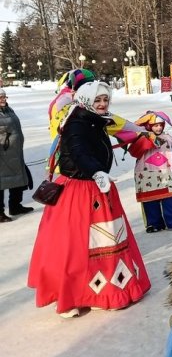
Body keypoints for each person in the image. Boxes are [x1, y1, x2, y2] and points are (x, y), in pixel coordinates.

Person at [28, 81, 152, 318]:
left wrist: (141, 132)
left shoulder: (95, 119)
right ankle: (71, 294)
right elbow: (78, 151)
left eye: (105, 99)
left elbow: (121, 129)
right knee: (74, 244)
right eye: (98, 100)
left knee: (103, 240)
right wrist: (96, 171)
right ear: (86, 101)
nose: (103, 104)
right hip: (79, 190)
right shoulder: (77, 123)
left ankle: (98, 292)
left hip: (97, 187)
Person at [134, 110, 172, 233]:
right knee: (150, 200)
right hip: (145, 174)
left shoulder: (167, 139)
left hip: (165, 172)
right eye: (156, 125)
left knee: (171, 198)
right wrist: (143, 137)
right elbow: (135, 151)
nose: (159, 127)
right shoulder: (141, 137)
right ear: (150, 126)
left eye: (161, 124)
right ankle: (154, 223)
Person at [0, 87, 33, 222]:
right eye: (0, 98)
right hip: (2, 153)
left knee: (18, 179)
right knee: (0, 183)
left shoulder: (8, 110)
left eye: (4, 97)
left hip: (14, 151)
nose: (3, 99)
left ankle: (15, 206)